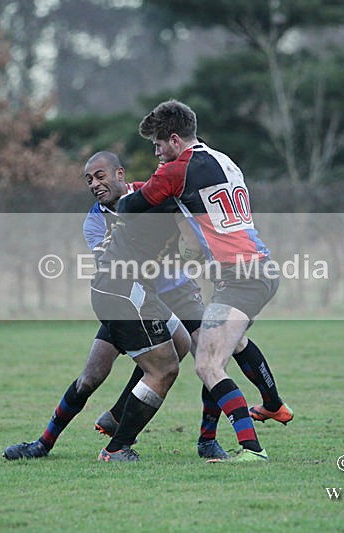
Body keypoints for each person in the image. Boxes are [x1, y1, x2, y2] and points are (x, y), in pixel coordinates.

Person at [3, 151, 291, 462]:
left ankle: (207, 439)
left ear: (120, 175)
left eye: (100, 176)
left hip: (178, 291)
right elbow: (112, 265)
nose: (95, 184)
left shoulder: (150, 192)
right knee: (93, 374)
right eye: (89, 180)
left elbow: (192, 233)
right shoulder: (95, 221)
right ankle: (45, 443)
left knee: (208, 354)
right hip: (131, 296)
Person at [118, 100, 283, 462]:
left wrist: (120, 193)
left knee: (208, 364)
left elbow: (133, 207)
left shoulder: (178, 169)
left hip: (240, 278)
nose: (157, 154)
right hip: (261, 269)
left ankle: (252, 450)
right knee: (228, 349)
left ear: (175, 140)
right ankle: (270, 407)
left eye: (158, 146)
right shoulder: (224, 160)